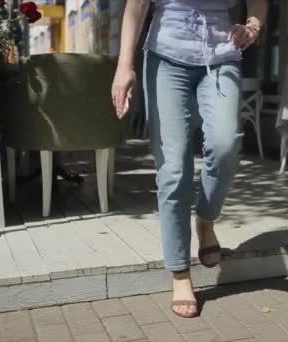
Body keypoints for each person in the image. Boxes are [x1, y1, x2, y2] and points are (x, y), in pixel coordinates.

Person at [111, 0, 268, 318]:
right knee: (173, 168)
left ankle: (205, 220)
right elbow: (137, 5)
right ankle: (180, 272)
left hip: (222, 54)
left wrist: (253, 26)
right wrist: (124, 65)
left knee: (226, 144)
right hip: (166, 57)